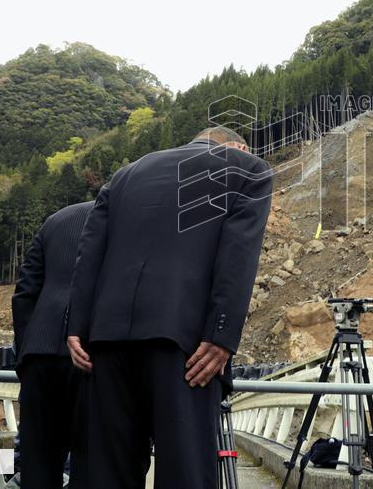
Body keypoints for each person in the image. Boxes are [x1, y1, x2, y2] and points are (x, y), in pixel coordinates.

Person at [67, 126, 272, 489]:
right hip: (186, 345)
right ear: (238, 147)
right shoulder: (246, 168)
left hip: (105, 342)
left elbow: (89, 254)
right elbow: (238, 256)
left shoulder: (126, 174)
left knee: (104, 472)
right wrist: (221, 334)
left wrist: (77, 328)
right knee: (185, 471)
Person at [12, 201, 93, 489]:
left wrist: (25, 352)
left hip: (39, 355)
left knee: (37, 461)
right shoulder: (126, 218)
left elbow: (24, 293)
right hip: (90, 356)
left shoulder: (57, 219)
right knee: (91, 461)